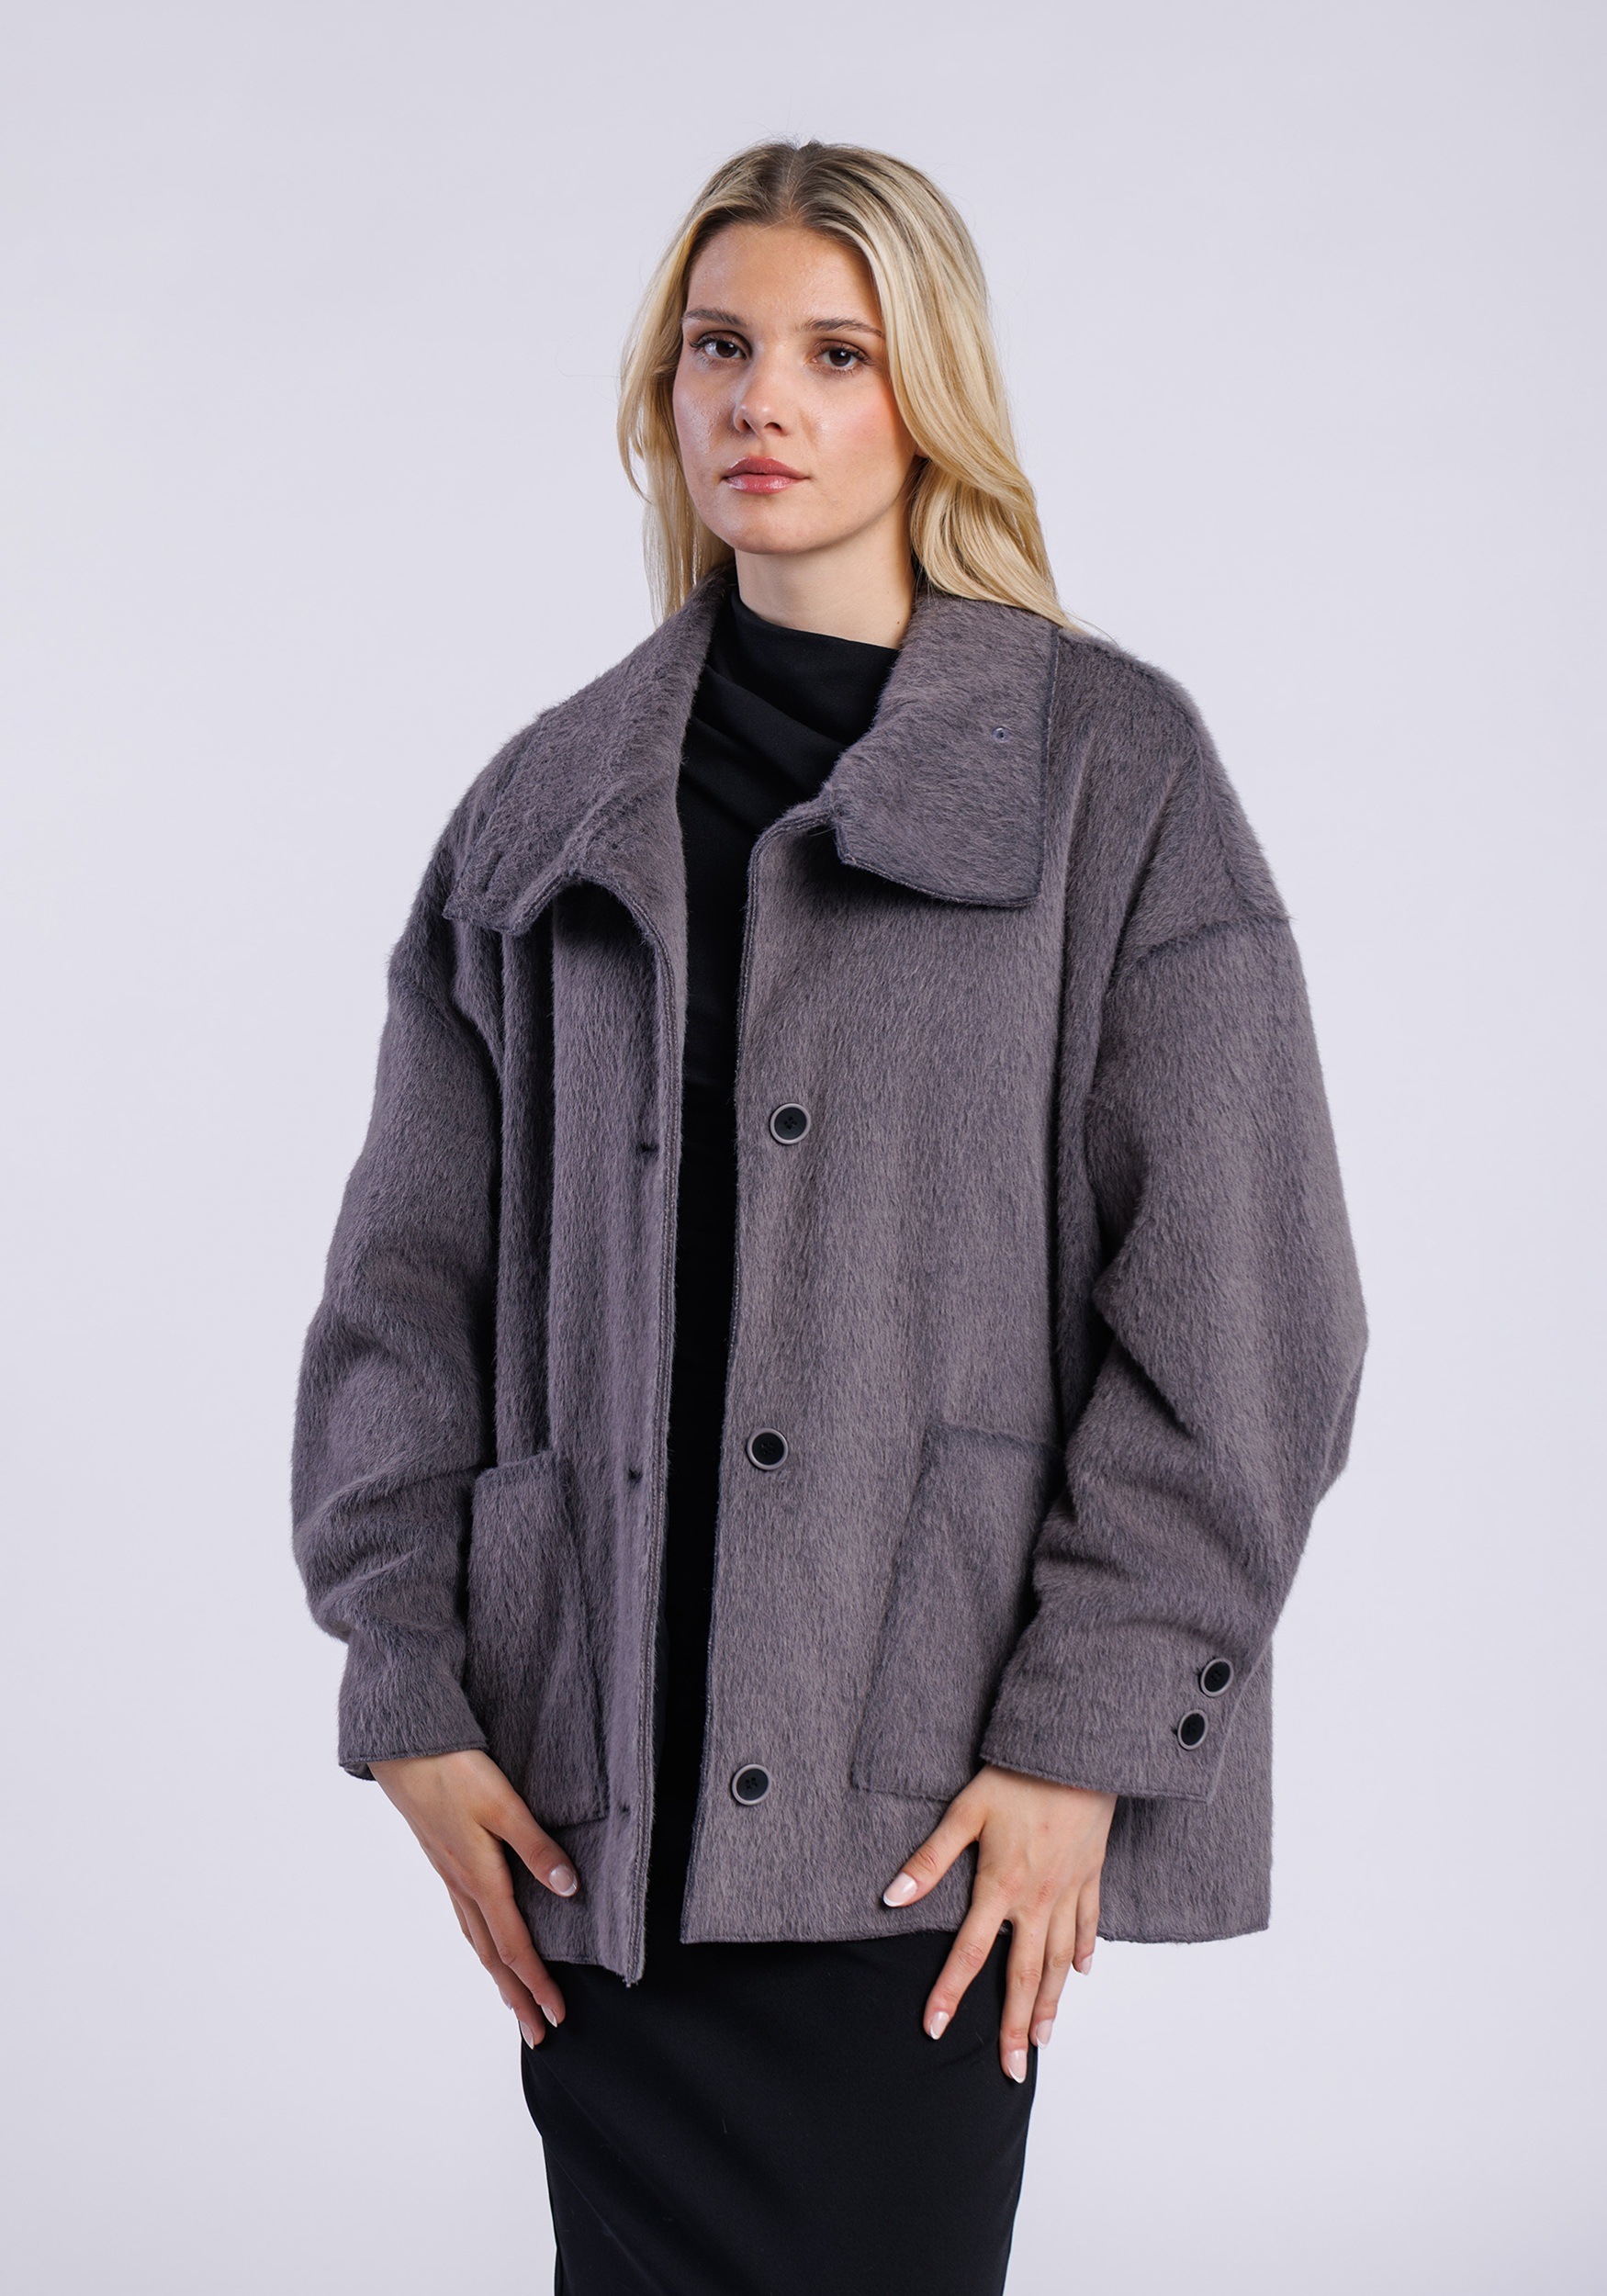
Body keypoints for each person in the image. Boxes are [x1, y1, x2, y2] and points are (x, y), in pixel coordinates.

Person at [291, 139, 1367, 2296]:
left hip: (918, 1811)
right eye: (716, 348)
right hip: (593, 1825)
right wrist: (404, 1678)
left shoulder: (1101, 772)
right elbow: (402, 1292)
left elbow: (1249, 1310)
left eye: (830, 353)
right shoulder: (541, 809)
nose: (757, 402)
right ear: (661, 390)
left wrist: (1084, 1734)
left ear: (924, 394)